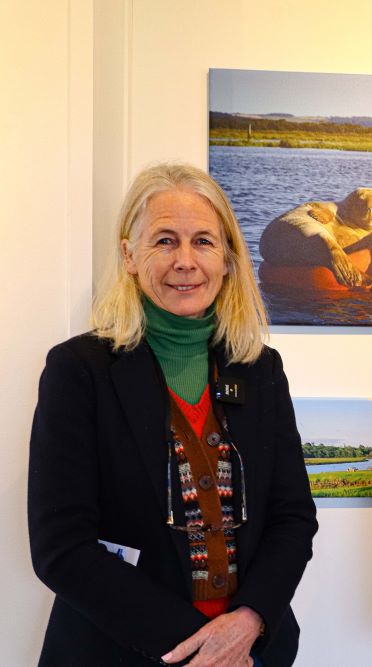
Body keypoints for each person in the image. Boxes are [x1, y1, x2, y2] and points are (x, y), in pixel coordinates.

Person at [28, 164, 318, 666]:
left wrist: (248, 623)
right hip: (118, 651)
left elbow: (293, 517)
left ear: (227, 259)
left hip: (250, 651)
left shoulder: (260, 369)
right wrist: (202, 648)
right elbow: (62, 547)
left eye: (203, 242)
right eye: (164, 241)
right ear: (129, 255)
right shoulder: (79, 370)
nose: (185, 261)